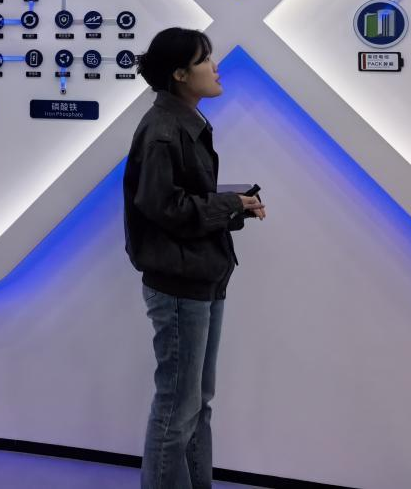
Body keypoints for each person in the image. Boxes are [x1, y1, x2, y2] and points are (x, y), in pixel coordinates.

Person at [123, 27, 266, 489]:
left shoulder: (184, 122)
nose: (215, 67)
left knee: (196, 403)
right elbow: (165, 208)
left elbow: (181, 202)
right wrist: (230, 204)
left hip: (202, 277)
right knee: (177, 408)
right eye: (205, 59)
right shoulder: (164, 131)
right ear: (180, 74)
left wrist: (235, 206)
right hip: (179, 284)